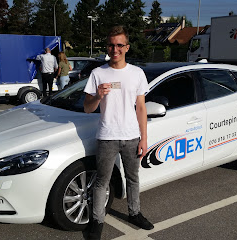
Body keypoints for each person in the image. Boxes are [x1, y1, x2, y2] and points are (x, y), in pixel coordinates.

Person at [83, 26, 154, 240]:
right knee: (101, 181)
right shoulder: (98, 73)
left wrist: (144, 138)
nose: (115, 49)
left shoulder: (137, 73)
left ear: (127, 47)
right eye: (111, 45)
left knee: (133, 178)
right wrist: (97, 96)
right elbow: (88, 108)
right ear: (107, 47)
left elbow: (141, 108)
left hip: (132, 136)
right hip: (107, 136)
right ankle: (97, 222)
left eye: (119, 45)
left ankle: (135, 213)